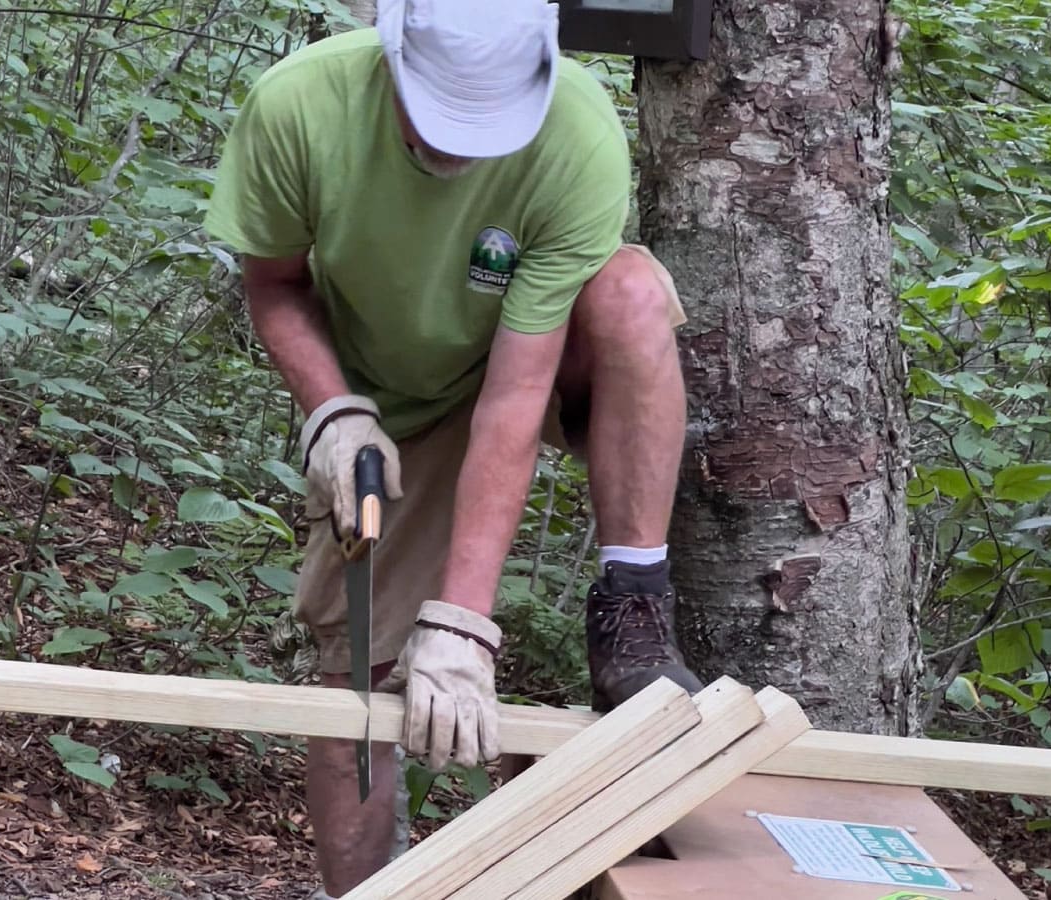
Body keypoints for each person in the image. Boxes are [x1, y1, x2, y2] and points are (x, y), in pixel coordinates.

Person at [204, 0, 703, 894]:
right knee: (357, 677)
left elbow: (512, 400)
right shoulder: (299, 107)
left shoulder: (579, 140)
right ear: (390, 56)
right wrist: (332, 412)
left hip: (533, 364)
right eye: (440, 123)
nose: (460, 153)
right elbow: (273, 284)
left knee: (629, 291)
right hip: (389, 395)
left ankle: (635, 598)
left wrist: (462, 624)